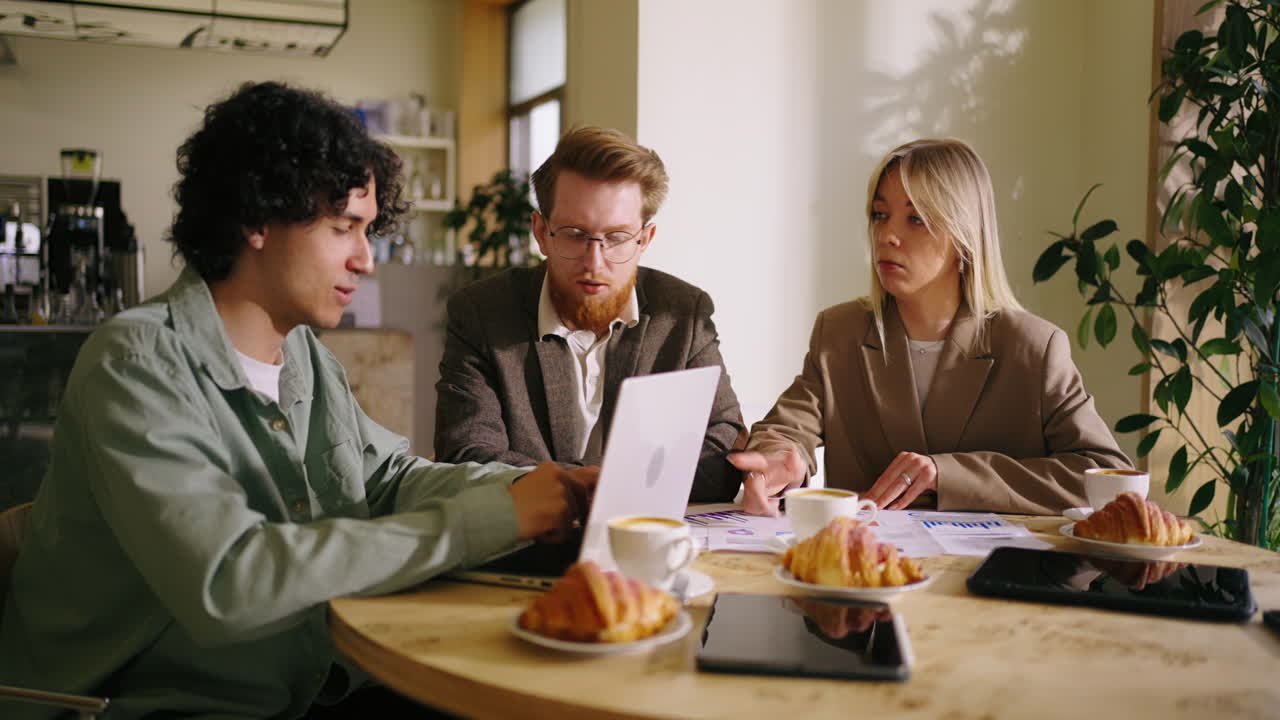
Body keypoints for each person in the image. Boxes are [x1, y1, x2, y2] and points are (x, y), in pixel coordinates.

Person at [0, 81, 594, 719]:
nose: (366, 259)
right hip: (151, 705)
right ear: (256, 219)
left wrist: (537, 487)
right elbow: (231, 581)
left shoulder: (302, 354)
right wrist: (496, 518)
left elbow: (387, 479)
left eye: (367, 231)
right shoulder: (136, 365)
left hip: (306, 683)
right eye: (343, 228)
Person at [730, 138, 1130, 516]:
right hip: (865, 561)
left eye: (916, 219)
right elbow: (788, 427)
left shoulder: (1034, 347)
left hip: (989, 565)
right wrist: (777, 460)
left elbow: (1107, 477)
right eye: (880, 215)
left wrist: (948, 474)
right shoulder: (840, 332)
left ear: (964, 237)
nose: (887, 235)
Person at [434, 127, 745, 502]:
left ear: (644, 240)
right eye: (575, 233)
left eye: (616, 237)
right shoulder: (482, 314)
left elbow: (723, 448)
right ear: (541, 232)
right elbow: (467, 458)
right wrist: (627, 479)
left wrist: (589, 481)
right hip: (527, 537)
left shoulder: (683, 314)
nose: (594, 262)